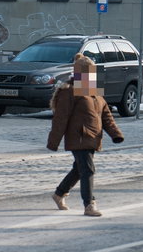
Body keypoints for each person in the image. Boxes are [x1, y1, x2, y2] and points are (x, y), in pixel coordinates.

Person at [47, 54, 124, 217]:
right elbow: (60, 118)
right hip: (79, 137)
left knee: (79, 169)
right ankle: (89, 205)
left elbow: (106, 115)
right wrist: (53, 142)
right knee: (88, 170)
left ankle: (59, 194)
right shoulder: (69, 91)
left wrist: (115, 134)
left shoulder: (94, 90)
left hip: (93, 138)